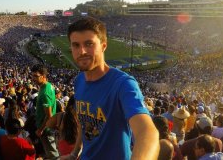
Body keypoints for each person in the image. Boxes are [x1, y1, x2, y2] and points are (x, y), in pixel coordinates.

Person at [67, 17, 159, 159]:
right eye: (76, 45)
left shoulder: (123, 84)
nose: (82, 51)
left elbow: (147, 132)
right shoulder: (79, 80)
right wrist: (74, 153)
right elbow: (84, 123)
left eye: (89, 44)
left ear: (104, 46)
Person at [31, 64, 59, 159]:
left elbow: (49, 116)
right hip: (48, 127)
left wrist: (41, 129)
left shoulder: (44, 93)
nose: (33, 78)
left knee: (53, 155)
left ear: (43, 76)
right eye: (32, 75)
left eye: (36, 76)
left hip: (46, 130)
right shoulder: (48, 86)